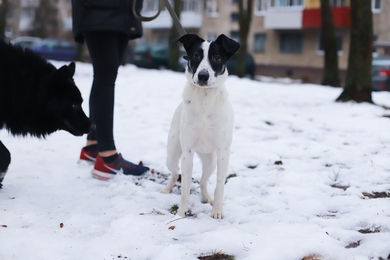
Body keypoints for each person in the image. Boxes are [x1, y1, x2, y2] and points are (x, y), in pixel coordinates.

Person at [71, 0, 149, 180]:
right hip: (101, 9)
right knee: (105, 76)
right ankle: (107, 157)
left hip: (118, 11)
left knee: (104, 76)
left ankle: (94, 146)